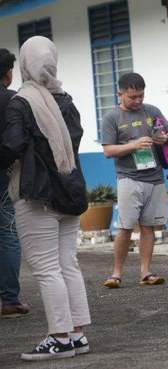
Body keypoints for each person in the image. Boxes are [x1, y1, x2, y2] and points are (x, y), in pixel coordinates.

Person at [0, 36, 91, 361]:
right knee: (68, 263)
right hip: (69, 191)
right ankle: (77, 333)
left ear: (25, 65)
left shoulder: (22, 102)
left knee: (46, 267)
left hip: (36, 195)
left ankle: (59, 337)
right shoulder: (65, 100)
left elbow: (11, 145)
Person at [101, 72, 168, 288]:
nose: (137, 101)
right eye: (132, 97)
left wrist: (165, 138)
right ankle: (116, 273)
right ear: (120, 94)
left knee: (148, 227)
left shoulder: (151, 111)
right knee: (125, 226)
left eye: (141, 96)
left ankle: (146, 273)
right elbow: (108, 151)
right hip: (128, 178)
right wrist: (133, 145)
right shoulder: (111, 118)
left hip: (155, 178)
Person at [0, 48, 30, 318]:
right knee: (8, 232)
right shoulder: (13, 100)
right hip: (3, 175)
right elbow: (16, 142)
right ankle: (9, 299)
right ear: (8, 74)